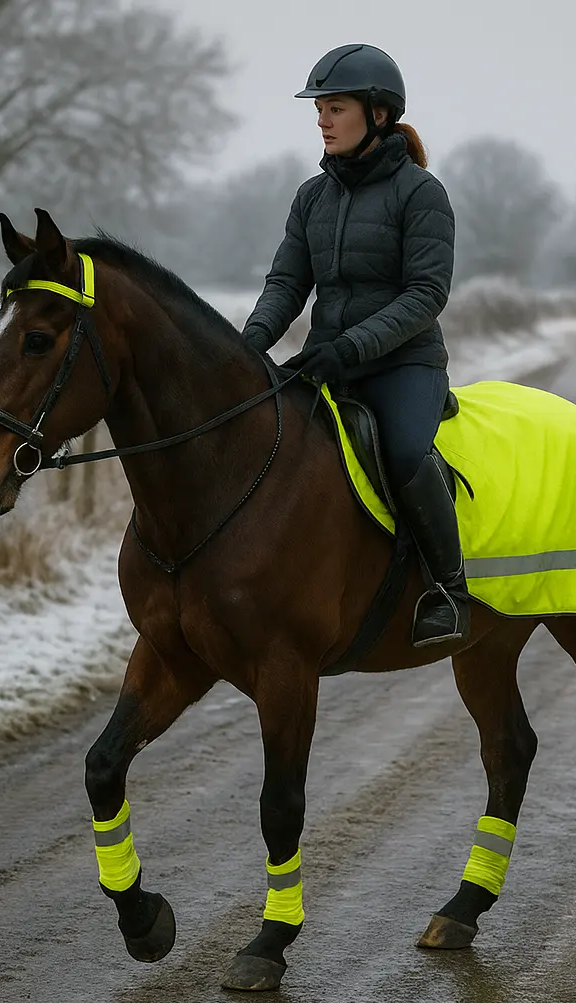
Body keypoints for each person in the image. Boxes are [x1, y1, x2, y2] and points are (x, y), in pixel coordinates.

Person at [241, 42, 467, 647]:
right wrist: (246, 347)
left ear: (379, 114)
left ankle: (449, 590)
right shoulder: (311, 198)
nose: (322, 120)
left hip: (403, 364)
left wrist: (352, 347)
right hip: (329, 362)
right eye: (319, 109)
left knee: (403, 452)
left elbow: (426, 294)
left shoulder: (422, 194)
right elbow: (287, 283)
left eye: (335, 108)